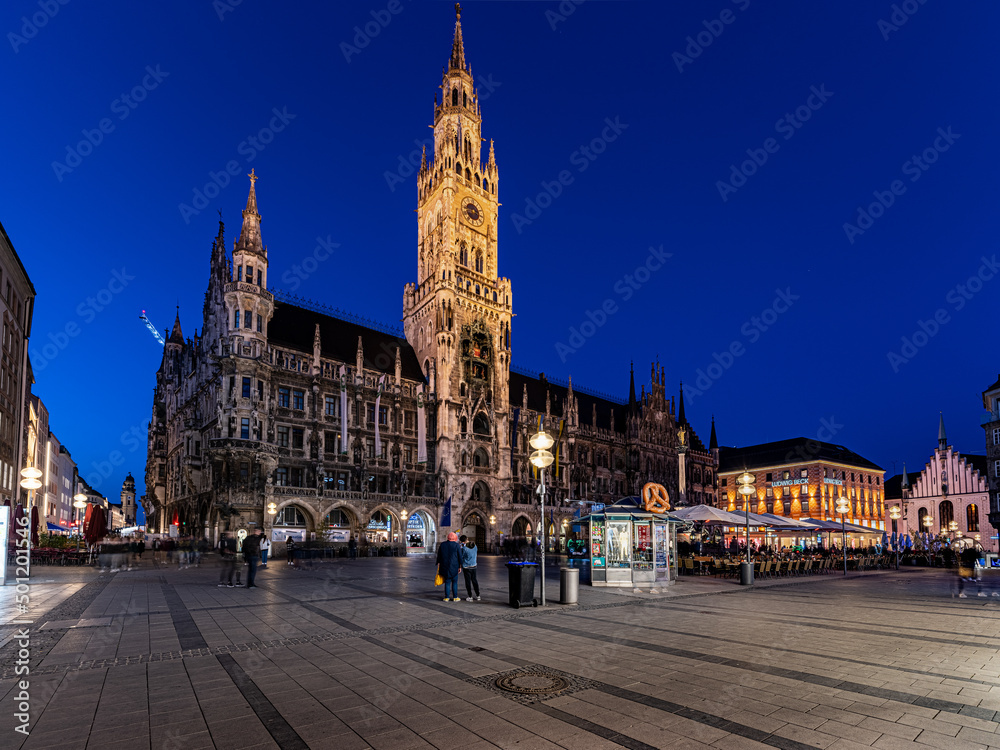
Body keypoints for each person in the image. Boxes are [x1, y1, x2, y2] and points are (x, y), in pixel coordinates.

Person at [436, 531, 462, 601]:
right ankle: (455, 597)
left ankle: (446, 597)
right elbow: (460, 556)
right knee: (454, 582)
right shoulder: (457, 545)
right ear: (455, 538)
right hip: (454, 566)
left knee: (447, 582)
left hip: (445, 566)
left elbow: (439, 555)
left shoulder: (442, 544)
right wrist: (460, 566)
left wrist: (438, 563)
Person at [459, 534, 480, 601]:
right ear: (467, 538)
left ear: (462, 542)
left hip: (466, 566)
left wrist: (461, 548)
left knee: (468, 581)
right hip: (474, 565)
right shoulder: (475, 546)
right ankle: (478, 595)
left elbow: (462, 556)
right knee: (474, 580)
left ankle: (470, 596)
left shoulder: (464, 548)